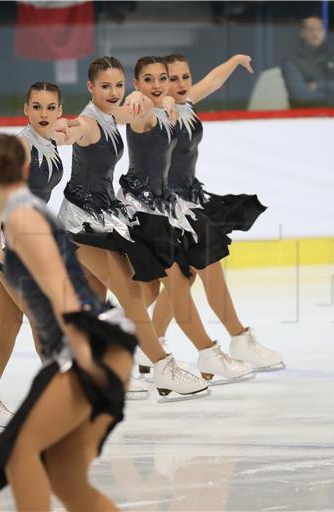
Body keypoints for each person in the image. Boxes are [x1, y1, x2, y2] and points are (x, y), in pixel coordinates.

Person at [0, 133, 138, 510]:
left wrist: (85, 360)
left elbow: (62, 294)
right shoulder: (27, 211)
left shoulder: (23, 218)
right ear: (27, 168)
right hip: (105, 342)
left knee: (22, 453)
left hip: (88, 347)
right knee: (67, 479)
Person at [57, 56, 210, 399]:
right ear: (90, 87)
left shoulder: (112, 115)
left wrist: (164, 99)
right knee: (129, 292)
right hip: (81, 224)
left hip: (102, 219)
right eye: (105, 86)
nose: (113, 92)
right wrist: (61, 129)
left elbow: (145, 109)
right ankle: (162, 366)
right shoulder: (88, 122)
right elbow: (72, 131)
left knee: (98, 299)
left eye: (119, 85)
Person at [118, 56, 254, 384]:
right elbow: (126, 111)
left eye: (162, 79)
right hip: (142, 214)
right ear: (137, 84)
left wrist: (234, 60)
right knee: (175, 283)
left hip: (165, 212)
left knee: (150, 292)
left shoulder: (173, 106)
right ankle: (203, 352)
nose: (159, 85)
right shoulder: (141, 110)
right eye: (148, 80)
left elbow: (210, 82)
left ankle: (137, 351)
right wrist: (137, 99)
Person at [149, 53, 285, 372]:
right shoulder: (155, 110)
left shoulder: (187, 102)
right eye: (172, 78)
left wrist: (235, 60)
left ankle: (151, 343)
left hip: (191, 199)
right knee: (205, 268)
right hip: (169, 207)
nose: (181, 84)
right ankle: (238, 338)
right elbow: (132, 102)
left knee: (185, 277)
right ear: (160, 82)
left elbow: (212, 80)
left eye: (185, 76)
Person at [0, 81, 74, 433]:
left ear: (60, 111)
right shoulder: (23, 144)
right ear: (25, 109)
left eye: (51, 107)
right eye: (37, 107)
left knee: (9, 324)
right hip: (10, 244)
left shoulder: (49, 141)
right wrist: (0, 248)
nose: (44, 114)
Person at [281, 15, 334, 109]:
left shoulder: (333, 56)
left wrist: (318, 85)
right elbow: (299, 94)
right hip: (308, 117)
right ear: (302, 33)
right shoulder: (291, 60)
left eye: (319, 29)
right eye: (310, 29)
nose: (315, 33)